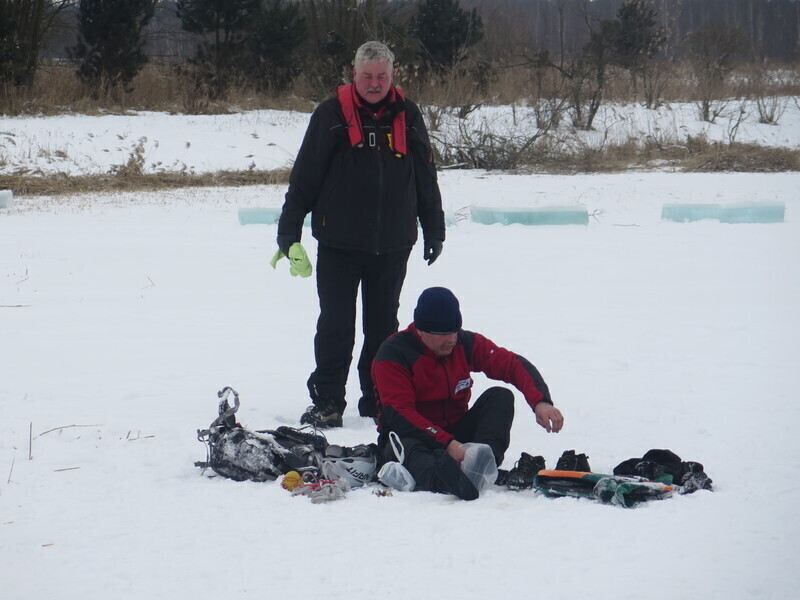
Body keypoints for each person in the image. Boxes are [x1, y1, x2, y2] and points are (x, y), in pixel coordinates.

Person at [276, 41, 445, 429]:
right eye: (367, 76)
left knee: (383, 327)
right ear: (354, 74)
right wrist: (289, 232)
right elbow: (304, 178)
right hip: (338, 242)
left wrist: (434, 227)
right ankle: (328, 401)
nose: (374, 83)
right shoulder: (330, 114)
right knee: (336, 324)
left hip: (393, 243)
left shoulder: (408, 114)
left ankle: (379, 398)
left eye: (381, 76)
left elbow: (425, 177)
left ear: (392, 76)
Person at [371, 287, 564, 500]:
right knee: (413, 449)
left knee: (500, 396)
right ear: (420, 330)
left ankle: (483, 465)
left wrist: (541, 402)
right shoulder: (394, 354)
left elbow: (511, 364)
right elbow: (399, 413)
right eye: (443, 334)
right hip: (410, 436)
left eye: (455, 331)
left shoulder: (464, 343)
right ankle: (441, 480)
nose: (452, 339)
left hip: (456, 435)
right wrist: (446, 443)